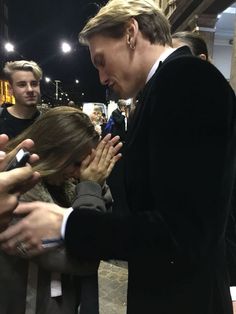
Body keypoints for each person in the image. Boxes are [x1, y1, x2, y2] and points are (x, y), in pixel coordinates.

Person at [0, 1, 236, 313]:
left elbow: (183, 233)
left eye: (101, 60)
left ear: (130, 33)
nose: (101, 78)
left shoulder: (186, 81)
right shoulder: (161, 88)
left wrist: (66, 223)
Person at [0, 106, 121, 314]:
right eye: (76, 163)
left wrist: (97, 185)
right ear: (54, 152)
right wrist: (91, 186)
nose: (79, 173)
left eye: (86, 163)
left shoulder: (67, 185)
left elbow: (104, 234)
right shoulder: (17, 195)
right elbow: (84, 258)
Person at [0, 60, 42, 138]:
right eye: (22, 85)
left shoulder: (47, 123)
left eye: (34, 84)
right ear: (10, 89)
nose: (30, 89)